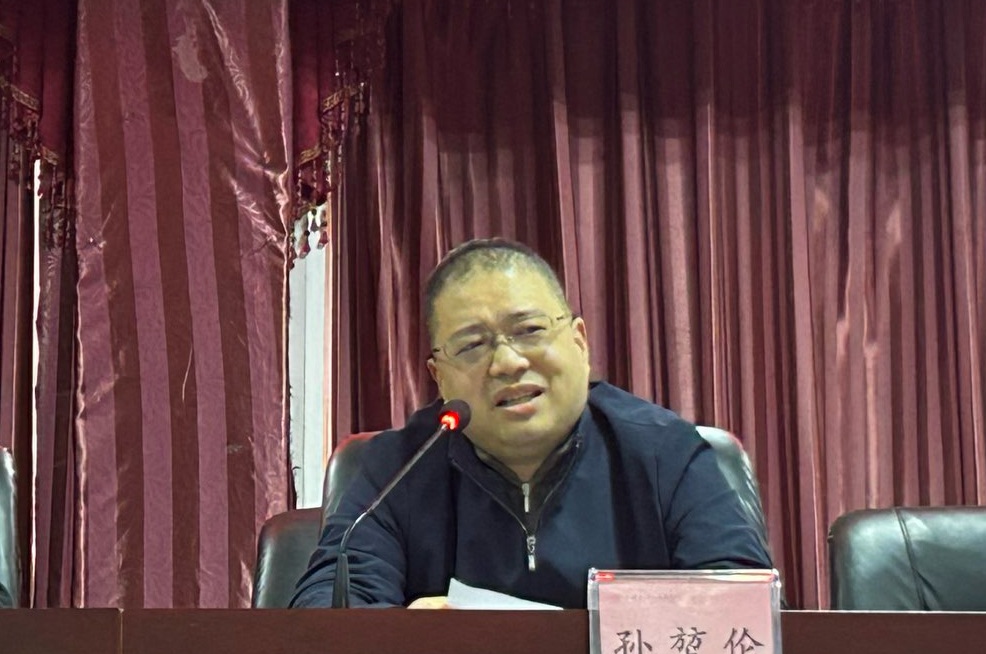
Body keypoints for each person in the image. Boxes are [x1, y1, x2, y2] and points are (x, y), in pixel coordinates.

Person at [290, 238, 771, 608]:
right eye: (472, 346)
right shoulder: (395, 469)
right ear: (439, 377)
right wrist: (412, 644)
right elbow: (329, 617)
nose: (507, 362)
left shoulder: (664, 453)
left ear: (579, 342)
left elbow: (745, 615)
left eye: (529, 331)